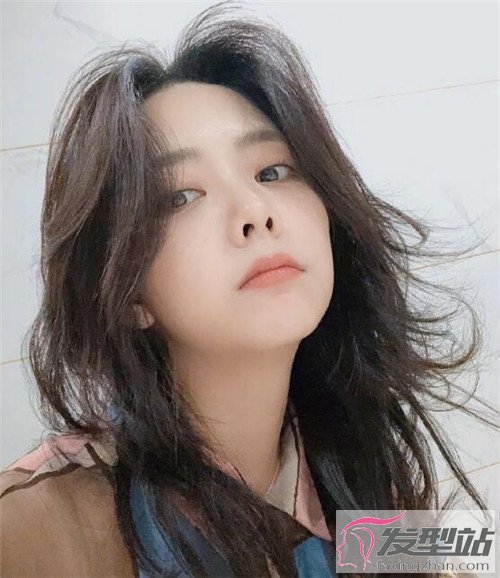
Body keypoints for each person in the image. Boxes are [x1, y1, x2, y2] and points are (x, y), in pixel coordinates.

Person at [1, 2, 496, 576]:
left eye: (271, 172)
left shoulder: (353, 459)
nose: (254, 211)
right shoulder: (39, 531)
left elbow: (459, 551)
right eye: (180, 196)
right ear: (127, 291)